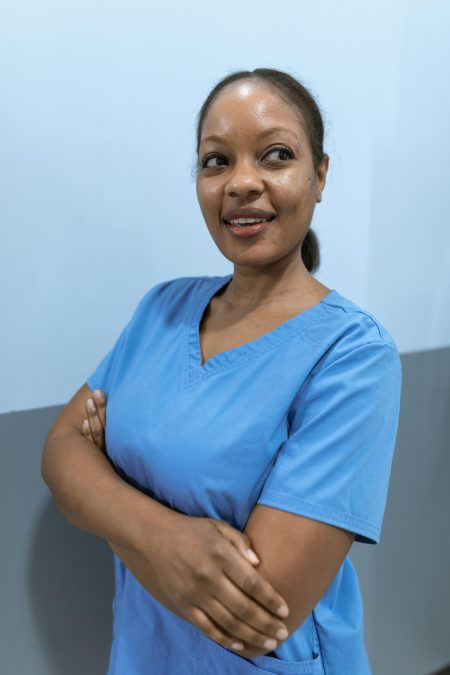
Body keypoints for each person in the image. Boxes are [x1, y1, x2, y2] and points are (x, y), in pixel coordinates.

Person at [41, 67, 402, 675]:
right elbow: (59, 452)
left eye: (277, 155)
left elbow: (265, 611)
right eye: (215, 162)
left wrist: (101, 499)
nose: (241, 184)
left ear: (320, 176)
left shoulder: (352, 355)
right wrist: (166, 542)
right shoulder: (162, 310)